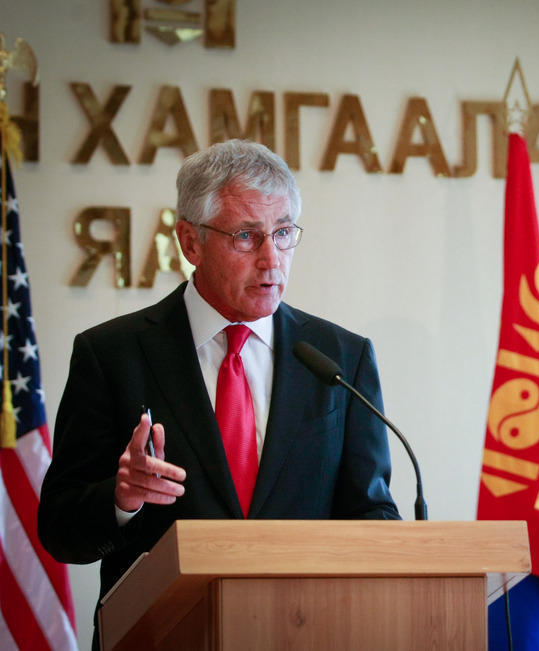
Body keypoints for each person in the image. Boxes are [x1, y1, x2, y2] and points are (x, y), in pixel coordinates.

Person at [39, 140, 400, 643]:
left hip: (305, 634)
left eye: (283, 233)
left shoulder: (342, 357)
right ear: (191, 243)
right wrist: (122, 498)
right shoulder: (112, 354)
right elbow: (60, 529)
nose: (272, 260)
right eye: (246, 237)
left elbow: (371, 512)